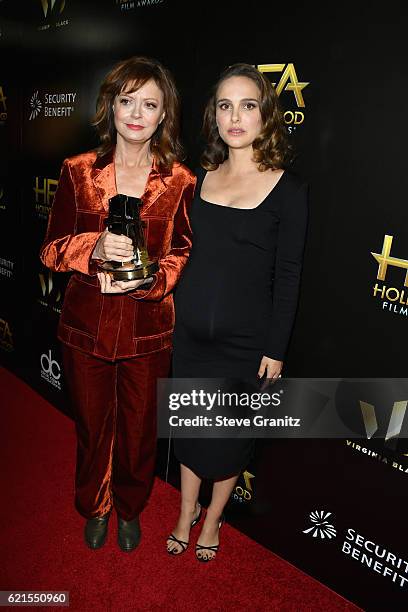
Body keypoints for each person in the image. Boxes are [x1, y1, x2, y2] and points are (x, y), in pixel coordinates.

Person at [40, 56, 195, 552]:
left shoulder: (181, 181)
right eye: (127, 100)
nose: (136, 113)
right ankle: (95, 506)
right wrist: (91, 247)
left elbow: (183, 251)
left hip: (148, 330)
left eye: (149, 104)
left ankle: (129, 508)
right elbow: (49, 248)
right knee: (92, 428)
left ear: (163, 114)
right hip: (85, 326)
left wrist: (150, 280)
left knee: (138, 433)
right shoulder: (78, 170)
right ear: (110, 105)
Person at [166, 63, 309, 561]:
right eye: (225, 105)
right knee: (189, 429)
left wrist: (276, 347)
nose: (235, 116)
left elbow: (289, 275)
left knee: (227, 441)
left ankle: (213, 518)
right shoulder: (197, 179)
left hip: (244, 345)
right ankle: (185, 512)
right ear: (214, 115)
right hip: (188, 336)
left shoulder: (288, 190)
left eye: (248, 105)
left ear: (266, 115)